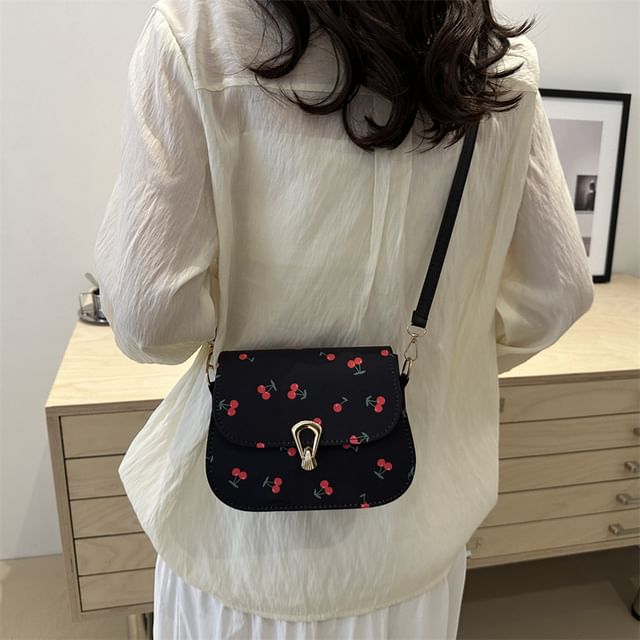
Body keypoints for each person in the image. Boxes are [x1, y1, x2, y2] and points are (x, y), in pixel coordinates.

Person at [93, 0, 595, 637]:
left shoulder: (196, 33)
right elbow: (556, 294)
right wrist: (440, 359)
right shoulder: (495, 64)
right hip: (413, 537)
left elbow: (151, 319)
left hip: (235, 543)